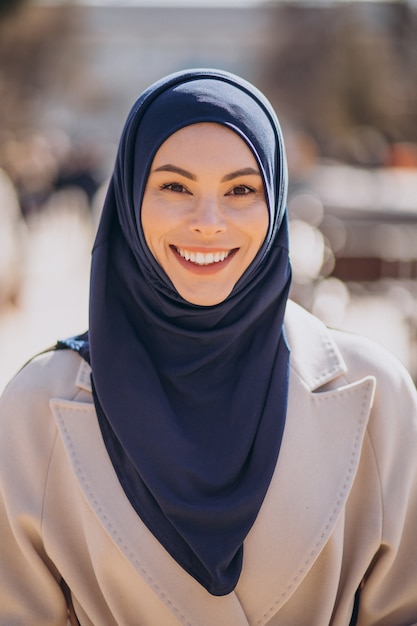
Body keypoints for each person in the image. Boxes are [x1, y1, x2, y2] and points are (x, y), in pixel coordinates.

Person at [0, 68, 417, 626]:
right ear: (128, 199)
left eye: (242, 189)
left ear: (276, 204)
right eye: (174, 186)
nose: (208, 222)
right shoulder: (33, 408)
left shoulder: (378, 398)